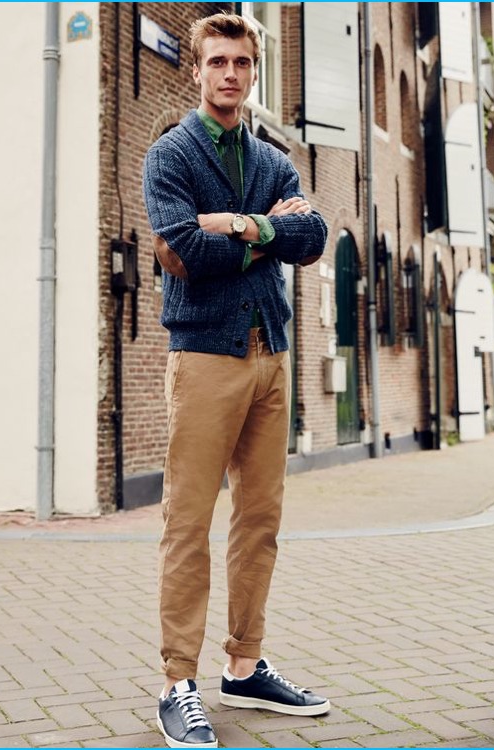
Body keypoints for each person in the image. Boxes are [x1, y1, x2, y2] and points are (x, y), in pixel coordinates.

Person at [143, 12, 330, 748]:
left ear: (254, 73)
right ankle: (177, 682)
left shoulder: (272, 158)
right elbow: (185, 248)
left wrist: (245, 227)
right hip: (205, 362)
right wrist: (266, 232)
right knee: (187, 524)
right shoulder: (172, 155)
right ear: (196, 70)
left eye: (242, 64)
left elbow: (310, 239)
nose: (230, 74)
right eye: (217, 61)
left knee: (260, 521)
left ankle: (245, 667)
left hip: (270, 359)